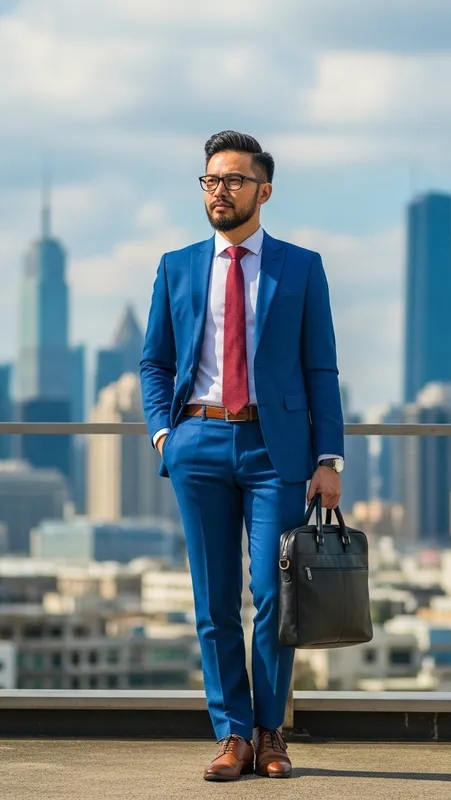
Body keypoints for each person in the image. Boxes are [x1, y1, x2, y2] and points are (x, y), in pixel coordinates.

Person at [140, 130, 345, 781]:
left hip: (274, 451)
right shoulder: (176, 266)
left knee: (273, 595)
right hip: (197, 444)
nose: (218, 190)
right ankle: (231, 734)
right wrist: (164, 436)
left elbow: (321, 369)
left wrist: (327, 459)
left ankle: (270, 733)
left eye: (232, 179)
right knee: (213, 601)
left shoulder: (300, 267)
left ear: (264, 190)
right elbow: (155, 361)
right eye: (210, 180)